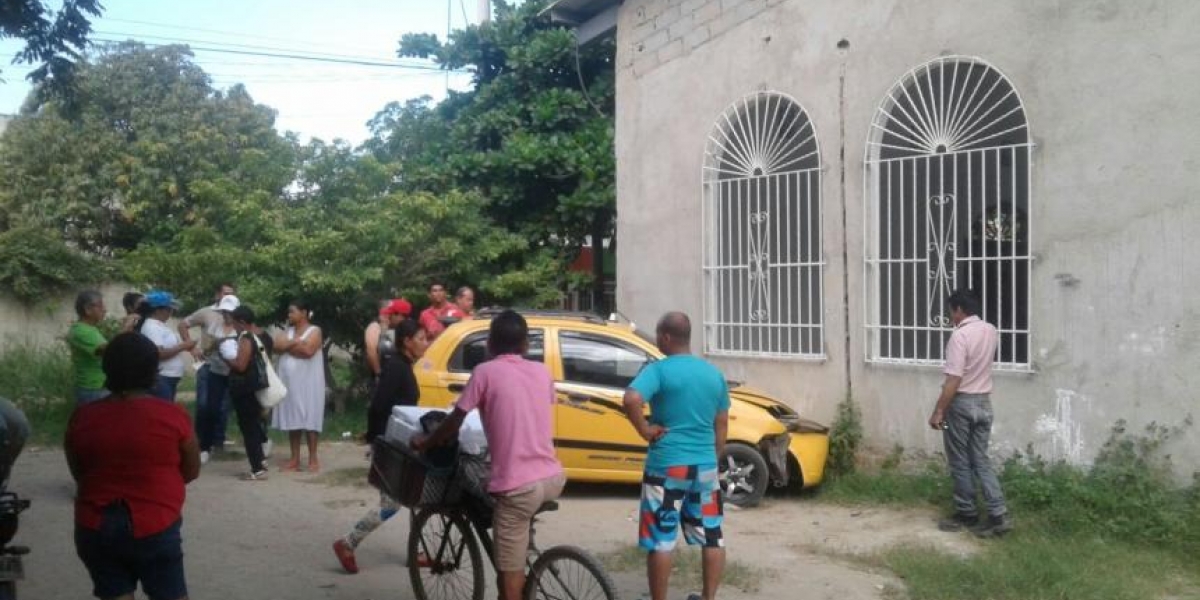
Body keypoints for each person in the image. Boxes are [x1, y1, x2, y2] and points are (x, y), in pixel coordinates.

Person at [414, 310, 563, 600]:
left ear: (490, 344)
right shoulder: (542, 371)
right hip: (552, 476)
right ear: (525, 345)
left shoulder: (484, 372)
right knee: (514, 540)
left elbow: (455, 421)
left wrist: (426, 442)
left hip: (519, 487)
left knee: (510, 587)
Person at [65, 333, 201, 600]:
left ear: (107, 369)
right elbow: (191, 470)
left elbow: (80, 473)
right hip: (156, 524)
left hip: (95, 526)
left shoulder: (82, 417)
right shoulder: (173, 416)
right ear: (153, 371)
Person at [622, 311, 729, 600]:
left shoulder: (659, 370)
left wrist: (645, 430)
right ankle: (708, 597)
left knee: (661, 540)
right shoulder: (713, 374)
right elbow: (722, 425)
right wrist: (713, 457)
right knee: (712, 535)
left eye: (658, 336)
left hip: (667, 470)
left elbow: (631, 399)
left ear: (666, 337)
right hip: (704, 469)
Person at [332, 318, 429, 573]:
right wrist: (378, 440)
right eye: (421, 338)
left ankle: (416, 551)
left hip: (400, 445)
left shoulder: (405, 366)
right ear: (407, 342)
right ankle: (347, 543)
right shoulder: (397, 367)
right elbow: (378, 405)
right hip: (390, 445)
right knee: (390, 504)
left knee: (416, 495)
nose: (426, 344)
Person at [929, 289, 1012, 538]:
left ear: (958, 310)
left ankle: (967, 512)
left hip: (961, 405)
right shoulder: (990, 330)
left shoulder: (959, 336)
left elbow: (953, 379)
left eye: (951, 311)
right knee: (980, 460)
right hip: (984, 405)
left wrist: (938, 412)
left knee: (959, 459)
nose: (951, 316)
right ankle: (998, 514)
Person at [178, 284, 238, 462]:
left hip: (231, 367)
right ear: (217, 294)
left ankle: (217, 440)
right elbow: (183, 324)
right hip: (208, 364)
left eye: (231, 294)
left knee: (223, 405)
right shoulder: (206, 313)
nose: (227, 297)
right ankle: (202, 441)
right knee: (205, 404)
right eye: (225, 294)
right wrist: (192, 348)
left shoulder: (237, 317)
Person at [221, 305, 274, 481]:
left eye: (234, 323)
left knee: (248, 427)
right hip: (255, 388)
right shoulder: (261, 337)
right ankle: (260, 460)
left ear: (242, 322)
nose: (233, 327)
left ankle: (257, 468)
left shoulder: (246, 338)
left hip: (245, 389)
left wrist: (227, 359)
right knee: (254, 425)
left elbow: (241, 366)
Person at [272, 300, 326, 472]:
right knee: (292, 418)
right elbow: (276, 346)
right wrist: (296, 343)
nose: (289, 315)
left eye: (292, 312)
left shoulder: (315, 330)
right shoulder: (286, 331)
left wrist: (288, 346)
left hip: (310, 383)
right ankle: (294, 458)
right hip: (290, 385)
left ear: (303, 313)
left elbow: (308, 351)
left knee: (310, 417)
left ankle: (313, 458)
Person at [140, 291, 196, 402]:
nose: (170, 312)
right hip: (162, 377)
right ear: (157, 310)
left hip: (168, 378)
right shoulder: (151, 327)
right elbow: (158, 353)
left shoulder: (160, 326)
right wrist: (183, 346)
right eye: (168, 309)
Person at [67, 290, 112, 404]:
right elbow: (110, 351)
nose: (105, 309)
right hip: (93, 389)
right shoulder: (82, 331)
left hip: (98, 387)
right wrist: (125, 330)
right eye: (100, 305)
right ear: (87, 309)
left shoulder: (90, 329)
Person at [365, 298, 412, 384]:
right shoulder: (376, 326)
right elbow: (372, 352)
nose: (388, 316)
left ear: (401, 316)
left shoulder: (401, 329)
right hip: (383, 376)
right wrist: (379, 374)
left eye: (391, 314)